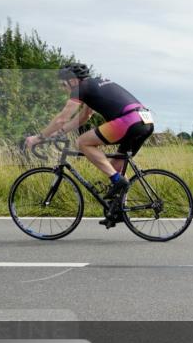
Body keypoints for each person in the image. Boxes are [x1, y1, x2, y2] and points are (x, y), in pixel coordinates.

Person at [25, 64, 154, 227]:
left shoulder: (81, 88)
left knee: (82, 142)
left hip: (128, 121)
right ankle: (120, 210)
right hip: (145, 121)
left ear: (73, 81)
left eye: (63, 84)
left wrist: (38, 138)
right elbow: (84, 117)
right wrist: (58, 133)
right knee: (115, 166)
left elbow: (62, 118)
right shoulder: (93, 85)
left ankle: (116, 180)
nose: (63, 88)